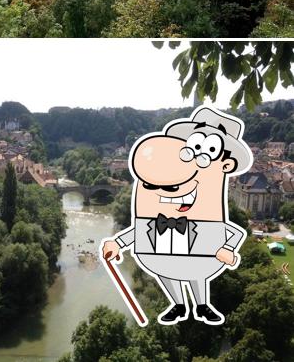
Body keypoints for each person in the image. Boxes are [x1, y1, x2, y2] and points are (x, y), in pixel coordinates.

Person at [101, 106, 252, 326]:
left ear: (226, 165)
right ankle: (179, 304)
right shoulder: (162, 193)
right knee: (167, 273)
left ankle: (202, 305)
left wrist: (226, 249)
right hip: (161, 258)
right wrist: (117, 243)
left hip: (199, 259)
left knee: (197, 274)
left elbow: (234, 232)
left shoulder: (207, 209)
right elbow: (140, 231)